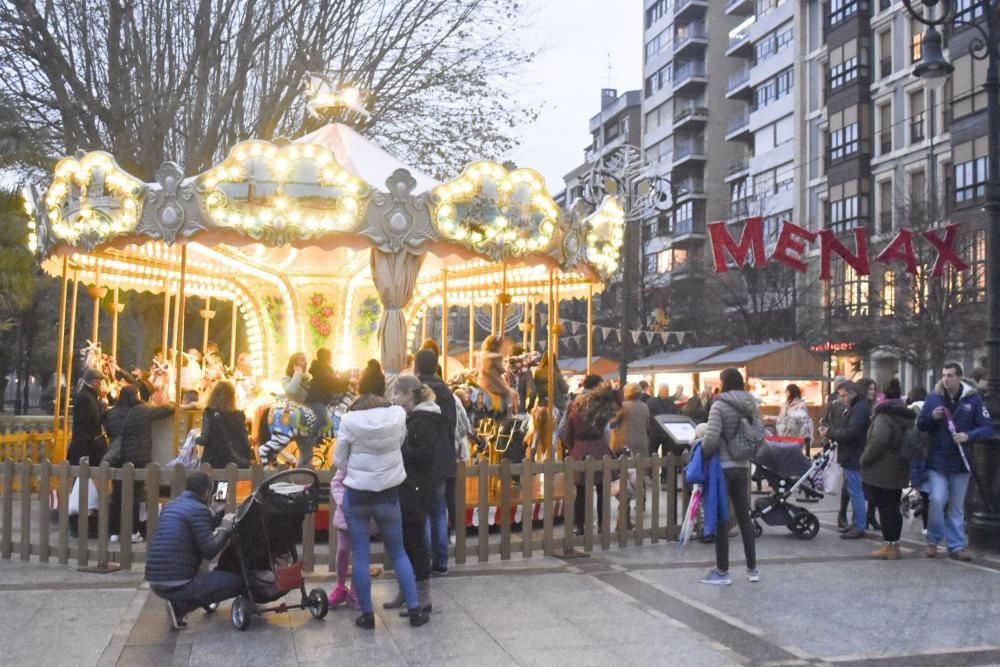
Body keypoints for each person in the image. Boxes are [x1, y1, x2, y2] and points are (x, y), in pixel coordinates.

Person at [332, 392, 428, 629]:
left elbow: (339, 461)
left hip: (357, 496)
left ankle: (367, 615)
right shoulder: (397, 420)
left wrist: (355, 470)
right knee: (398, 552)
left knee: (361, 555)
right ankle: (415, 610)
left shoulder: (349, 423)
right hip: (387, 494)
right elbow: (400, 445)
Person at [917, 362, 992, 561]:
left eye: (950, 375)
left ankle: (956, 545)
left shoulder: (973, 399)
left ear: (959, 377)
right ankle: (933, 540)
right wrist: (932, 417)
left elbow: (987, 427)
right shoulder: (934, 397)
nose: (946, 379)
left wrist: (968, 436)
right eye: (943, 375)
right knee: (937, 500)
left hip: (961, 460)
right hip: (937, 460)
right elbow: (921, 424)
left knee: (957, 507)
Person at [145, 472, 239, 630]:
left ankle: (178, 603)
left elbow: (193, 524)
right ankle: (180, 606)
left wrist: (214, 510)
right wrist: (225, 527)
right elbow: (210, 551)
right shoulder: (198, 510)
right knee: (235, 582)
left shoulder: (171, 505)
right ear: (207, 492)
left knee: (214, 578)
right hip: (179, 582)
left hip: (155, 582)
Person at [385, 375, 445, 616]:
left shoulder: (425, 419)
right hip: (407, 484)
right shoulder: (413, 418)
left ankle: (422, 596)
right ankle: (407, 590)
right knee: (405, 540)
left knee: (416, 539)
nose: (394, 399)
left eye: (397, 395)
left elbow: (424, 454)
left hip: (417, 485)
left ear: (409, 394)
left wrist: (400, 446)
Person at [699, 367, 760, 585]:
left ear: (724, 382)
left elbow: (711, 438)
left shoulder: (719, 405)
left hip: (723, 466)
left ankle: (722, 571)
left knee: (722, 517)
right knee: (744, 517)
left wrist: (703, 452)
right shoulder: (751, 404)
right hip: (743, 464)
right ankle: (752, 569)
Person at [105, 385, 173, 542]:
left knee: (117, 494)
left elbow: (109, 431)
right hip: (137, 457)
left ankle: (115, 531)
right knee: (134, 495)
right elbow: (167, 409)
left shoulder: (112, 412)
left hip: (117, 458)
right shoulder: (142, 410)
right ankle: (132, 531)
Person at [860, 378, 915, 560]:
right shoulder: (906, 416)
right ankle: (895, 544)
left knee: (885, 508)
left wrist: (865, 458)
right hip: (899, 466)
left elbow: (879, 441)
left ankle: (889, 545)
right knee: (893, 505)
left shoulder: (884, 416)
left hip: (882, 468)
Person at [414, 349, 457, 576]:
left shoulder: (417, 391)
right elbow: (452, 424)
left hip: (422, 459)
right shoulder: (447, 392)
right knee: (439, 510)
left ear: (417, 366)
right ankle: (441, 561)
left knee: (423, 511)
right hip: (442, 459)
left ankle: (426, 558)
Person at [562, 385, 617, 535]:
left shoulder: (574, 411)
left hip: (580, 450)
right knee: (602, 491)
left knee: (580, 492)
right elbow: (606, 432)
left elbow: (568, 434)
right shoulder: (602, 413)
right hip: (600, 449)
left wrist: (572, 448)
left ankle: (578, 525)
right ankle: (602, 524)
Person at [821, 381, 872, 540]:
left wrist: (830, 433)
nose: (841, 399)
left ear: (852, 393)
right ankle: (857, 522)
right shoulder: (856, 407)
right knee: (853, 489)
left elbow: (851, 432)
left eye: (843, 395)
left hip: (854, 455)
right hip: (851, 454)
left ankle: (859, 526)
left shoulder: (860, 408)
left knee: (856, 491)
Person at [67, 368, 108, 537]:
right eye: (101, 381)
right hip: (86, 449)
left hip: (89, 447)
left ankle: (85, 520)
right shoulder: (85, 398)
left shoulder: (90, 397)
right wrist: (86, 450)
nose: (103, 384)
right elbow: (85, 427)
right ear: (95, 382)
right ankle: (80, 522)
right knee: (82, 485)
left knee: (86, 485)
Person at [196, 380, 251, 469]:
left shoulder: (209, 413)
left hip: (214, 461)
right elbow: (244, 439)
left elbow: (204, 438)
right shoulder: (239, 415)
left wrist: (195, 439)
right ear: (232, 397)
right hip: (236, 461)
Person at [327, 469, 359, 609]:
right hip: (346, 513)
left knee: (360, 553)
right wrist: (344, 501)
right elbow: (336, 483)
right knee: (342, 549)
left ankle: (355, 590)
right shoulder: (346, 463)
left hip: (363, 514)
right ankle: (340, 587)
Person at [301, 348, 338, 469]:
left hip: (321, 398)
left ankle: (321, 436)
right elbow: (333, 383)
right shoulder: (325, 369)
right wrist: (344, 379)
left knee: (329, 414)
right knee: (322, 415)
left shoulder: (321, 368)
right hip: (316, 399)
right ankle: (312, 437)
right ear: (327, 357)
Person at [907, 386, 930, 533]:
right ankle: (925, 523)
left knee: (924, 492)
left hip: (916, 455)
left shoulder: (909, 410)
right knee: (928, 494)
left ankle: (919, 515)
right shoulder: (930, 410)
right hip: (928, 454)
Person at [478, 335, 518, 415]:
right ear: (496, 346)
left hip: (483, 383)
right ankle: (509, 415)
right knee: (510, 393)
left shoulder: (483, 356)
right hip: (492, 384)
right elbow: (501, 372)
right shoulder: (496, 358)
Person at [610, 383, 651, 457]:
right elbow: (647, 425)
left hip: (624, 442)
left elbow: (612, 423)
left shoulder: (623, 406)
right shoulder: (645, 406)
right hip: (641, 441)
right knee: (640, 466)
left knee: (624, 466)